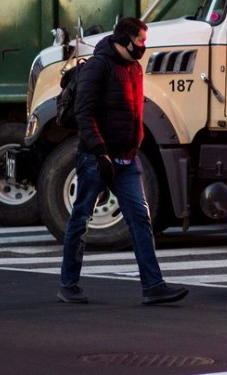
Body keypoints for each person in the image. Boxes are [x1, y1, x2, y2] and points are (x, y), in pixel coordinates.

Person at [57, 16, 188, 306]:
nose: (144, 46)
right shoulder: (98, 66)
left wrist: (136, 143)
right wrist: (100, 152)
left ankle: (153, 286)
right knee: (81, 219)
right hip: (95, 158)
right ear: (125, 39)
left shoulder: (135, 68)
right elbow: (84, 112)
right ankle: (68, 284)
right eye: (140, 40)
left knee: (141, 219)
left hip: (128, 159)